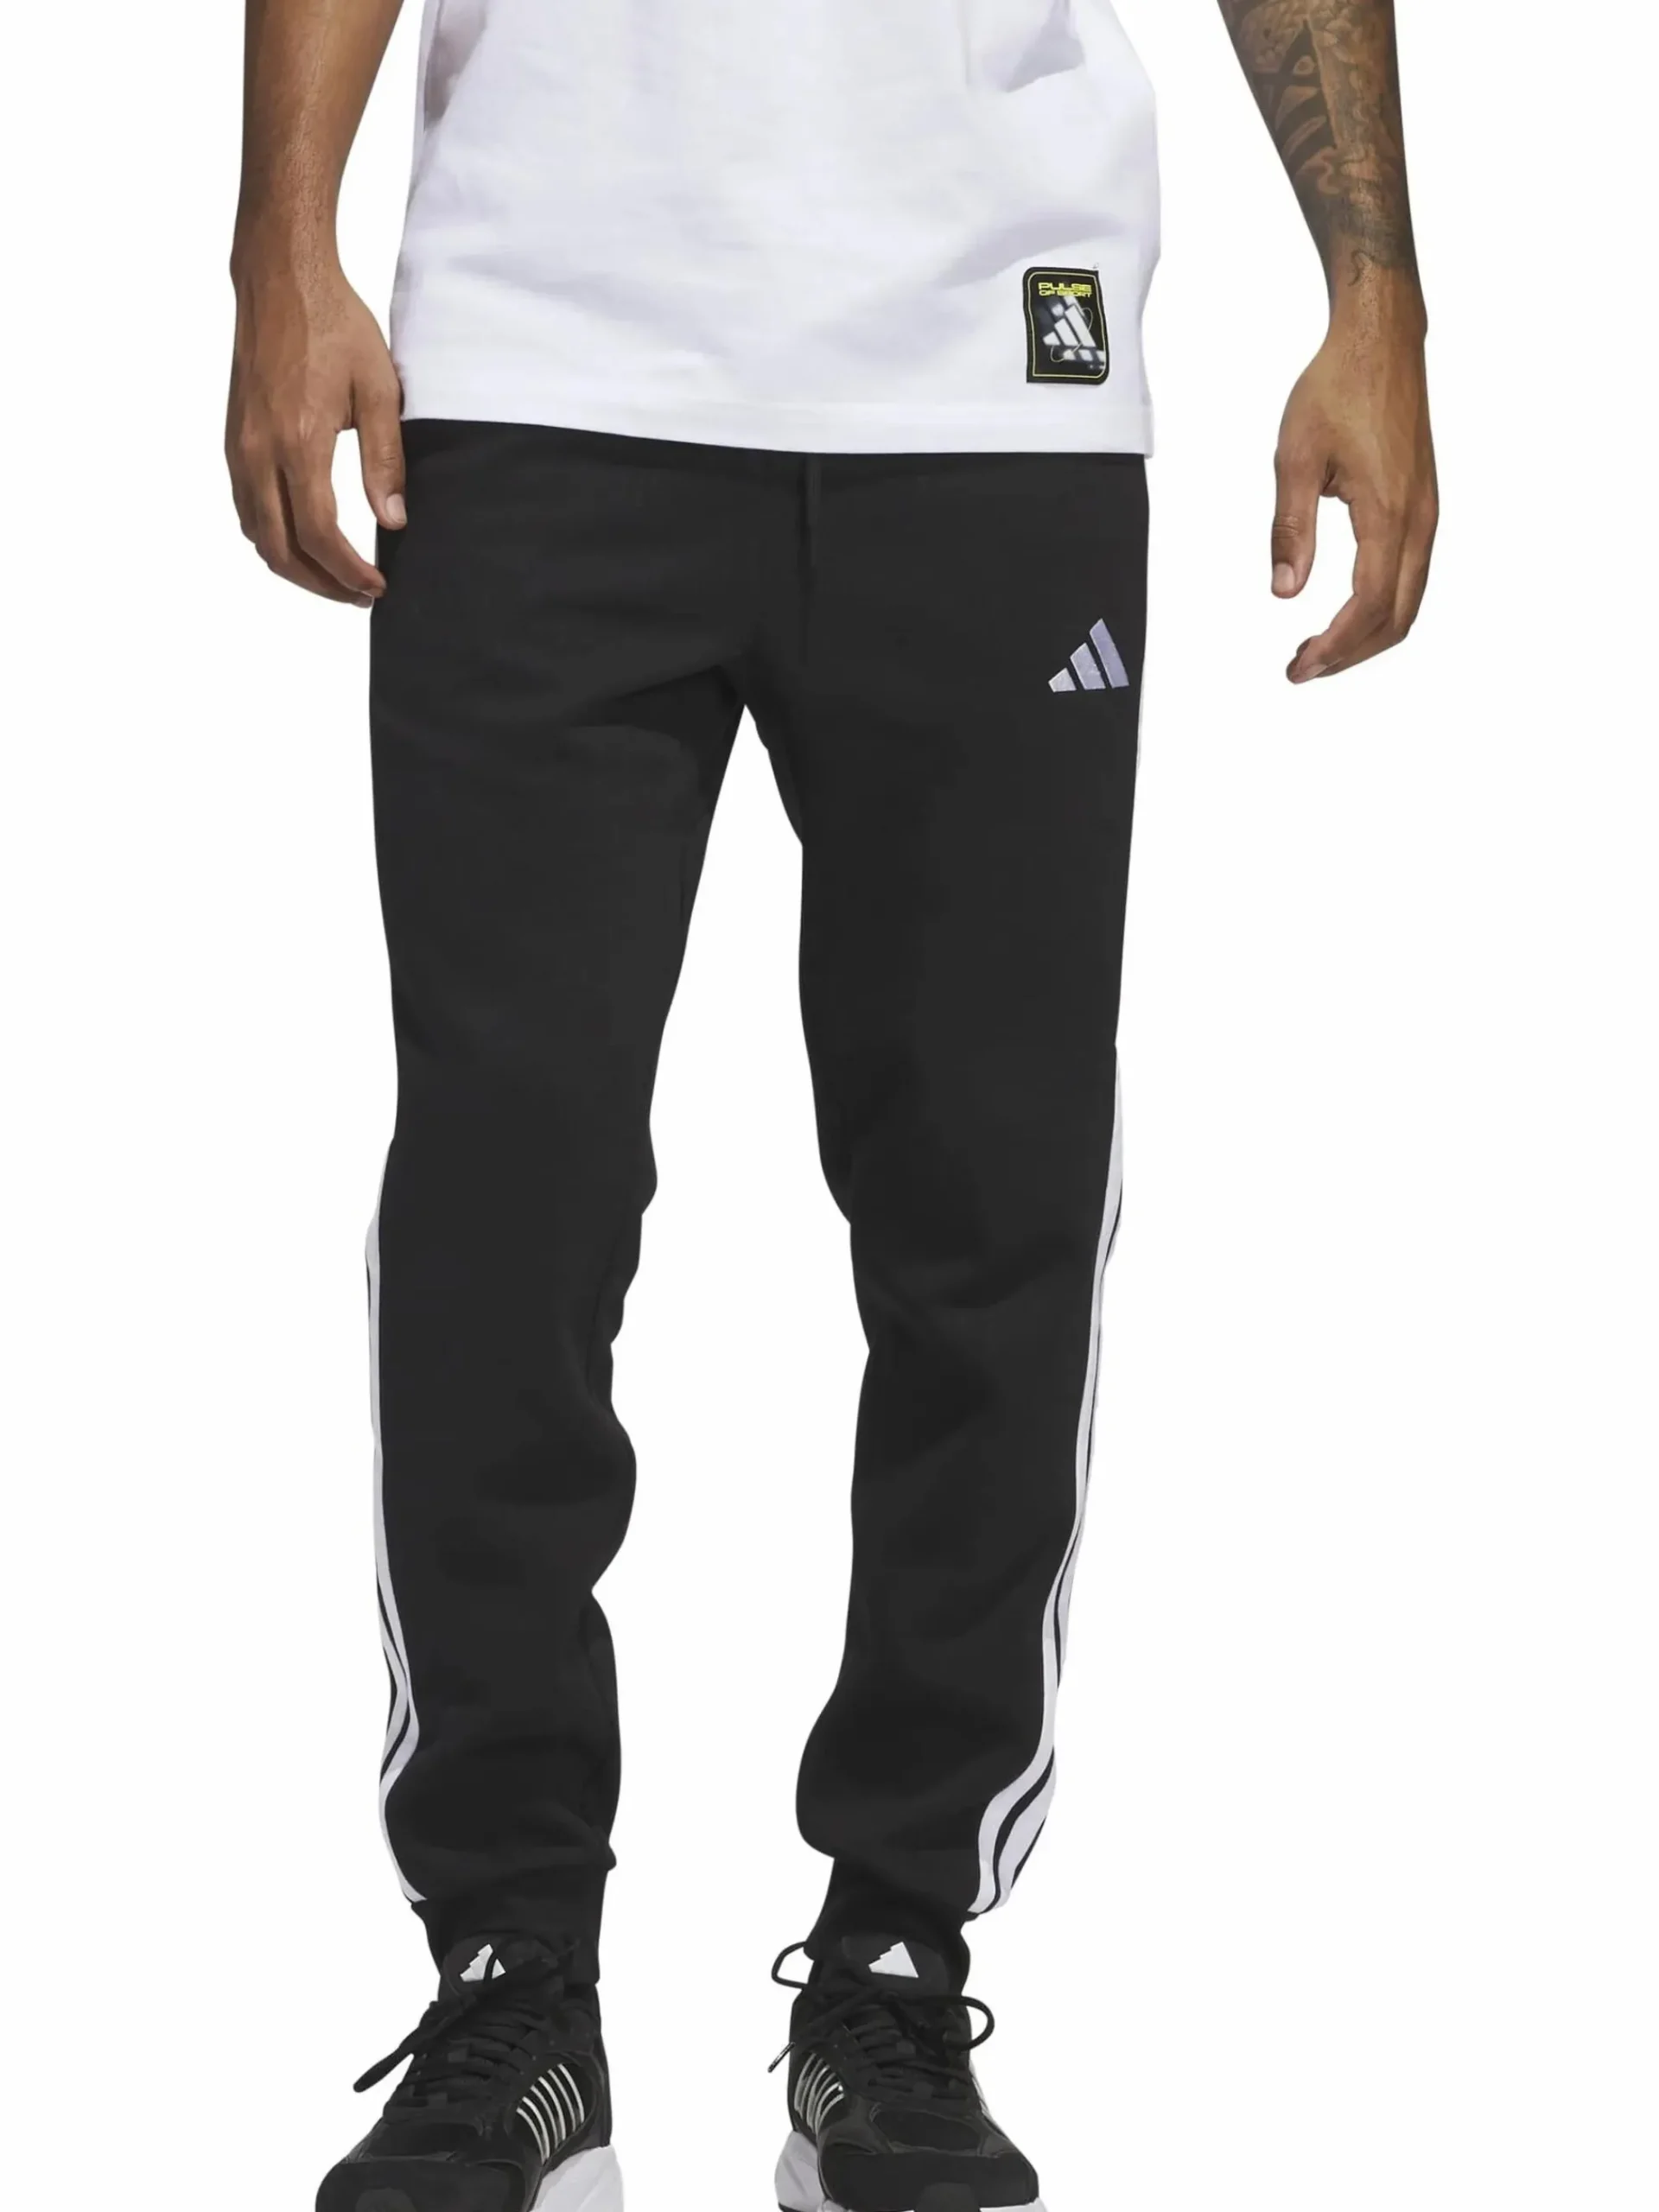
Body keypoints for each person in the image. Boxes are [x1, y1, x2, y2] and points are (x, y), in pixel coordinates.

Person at [226, 0, 1437, 2204]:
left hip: (992, 375)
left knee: (991, 1196)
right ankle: (513, 1971)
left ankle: (894, 1951)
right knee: (511, 1194)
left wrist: (1377, 299)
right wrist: (280, 250)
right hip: (539, 363)